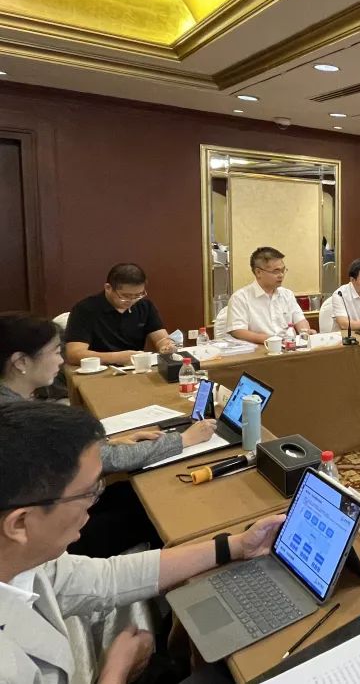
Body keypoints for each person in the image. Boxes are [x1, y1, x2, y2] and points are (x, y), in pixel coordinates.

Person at [0, 402, 285, 684]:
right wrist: (115, 672)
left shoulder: (23, 562)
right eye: (88, 493)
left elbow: (105, 577)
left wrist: (236, 546)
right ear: (20, 523)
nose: (93, 503)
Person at [1, 313, 216, 557]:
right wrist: (184, 439)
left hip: (51, 509)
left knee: (130, 490)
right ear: (21, 362)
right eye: (55, 352)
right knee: (161, 509)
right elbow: (107, 460)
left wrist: (111, 443)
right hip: (47, 534)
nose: (61, 361)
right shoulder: (16, 418)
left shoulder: (16, 402)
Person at [64, 264, 176, 367]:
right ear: (108, 288)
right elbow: (73, 354)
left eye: (138, 295)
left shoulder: (145, 306)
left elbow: (161, 338)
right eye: (125, 296)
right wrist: (117, 358)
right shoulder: (85, 309)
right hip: (98, 369)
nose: (132, 301)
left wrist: (166, 345)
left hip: (134, 368)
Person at [227, 246, 311, 345]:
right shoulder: (240, 298)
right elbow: (238, 331)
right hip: (259, 349)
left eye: (283, 270)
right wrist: (272, 340)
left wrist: (305, 333)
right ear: (258, 272)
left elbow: (300, 320)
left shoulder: (287, 294)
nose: (281, 275)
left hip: (289, 347)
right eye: (276, 271)